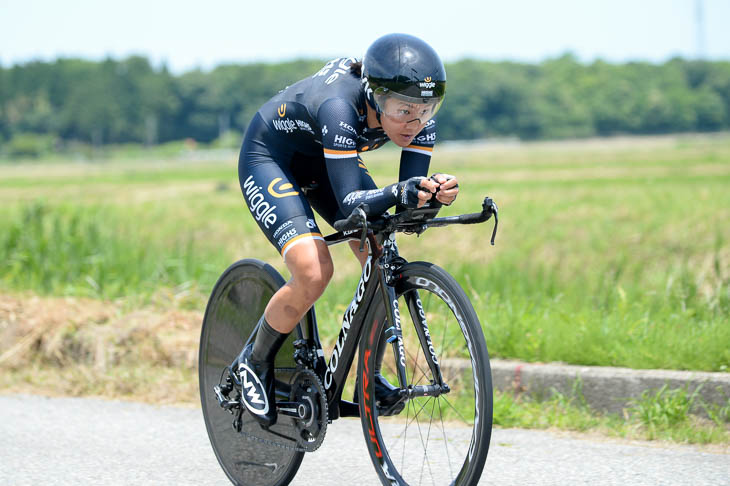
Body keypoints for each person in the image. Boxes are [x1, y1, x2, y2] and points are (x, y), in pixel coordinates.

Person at [229, 33, 459, 427]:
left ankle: (367, 376)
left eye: (426, 109)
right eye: (403, 109)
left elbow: (405, 214)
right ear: (375, 95)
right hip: (272, 155)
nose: (415, 122)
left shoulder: (420, 122)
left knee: (381, 253)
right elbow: (350, 204)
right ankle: (253, 361)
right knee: (314, 270)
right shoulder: (339, 108)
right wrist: (401, 193)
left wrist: (431, 196)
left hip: (327, 156)